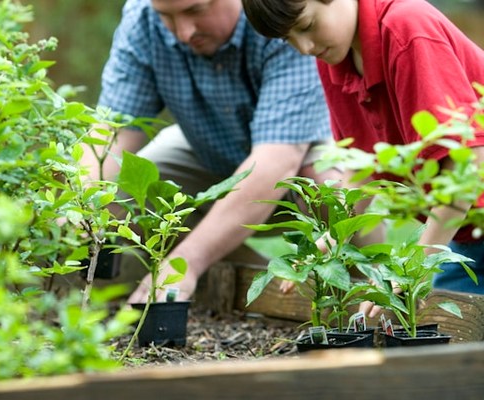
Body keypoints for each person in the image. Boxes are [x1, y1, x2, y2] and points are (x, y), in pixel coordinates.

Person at [81, 0, 338, 303]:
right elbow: (113, 132)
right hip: (207, 150)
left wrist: (184, 264)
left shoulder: (278, 14)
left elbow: (275, 162)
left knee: (332, 190)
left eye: (195, 11)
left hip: (299, 152)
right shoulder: (142, 19)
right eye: (167, 17)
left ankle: (359, 292)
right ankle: (236, 275)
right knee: (126, 191)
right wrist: (77, 205)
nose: (183, 32)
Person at [241, 0, 484, 308]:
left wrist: (412, 269)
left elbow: (468, 163)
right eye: (289, 39)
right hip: (467, 235)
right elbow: (364, 165)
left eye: (306, 26)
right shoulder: (335, 58)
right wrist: (331, 239)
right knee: (452, 332)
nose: (304, 47)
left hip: (466, 218)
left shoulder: (406, 28)